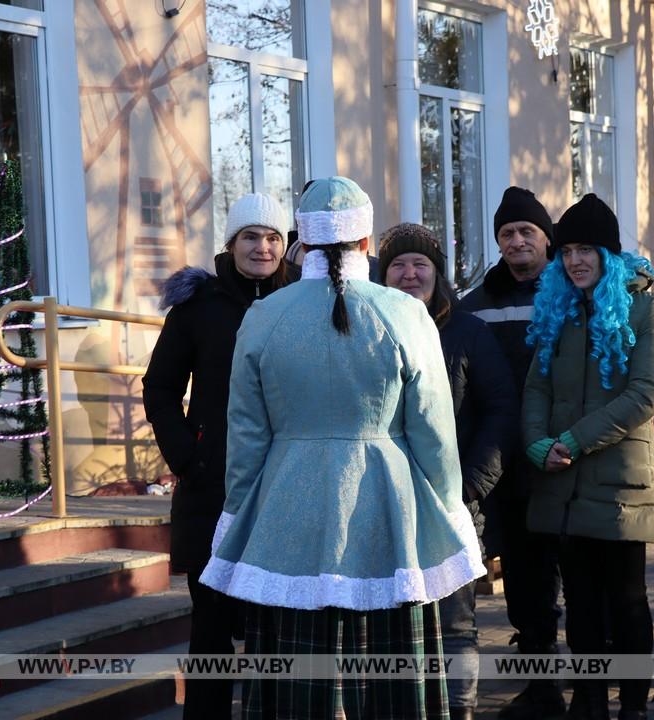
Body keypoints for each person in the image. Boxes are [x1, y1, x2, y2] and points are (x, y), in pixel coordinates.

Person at [199, 177, 485, 719]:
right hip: (389, 513)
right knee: (393, 686)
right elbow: (432, 428)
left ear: (300, 242)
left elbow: (246, 433)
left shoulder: (264, 315)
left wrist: (238, 511)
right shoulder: (404, 313)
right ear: (366, 242)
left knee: (294, 688)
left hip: (286, 514)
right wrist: (448, 509)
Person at [142, 192, 296, 719]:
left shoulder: (302, 301)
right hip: (213, 490)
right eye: (251, 236)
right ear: (231, 244)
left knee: (277, 632)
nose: (263, 247)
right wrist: (189, 456)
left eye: (274, 237)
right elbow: (160, 387)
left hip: (286, 488)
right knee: (210, 630)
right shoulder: (198, 307)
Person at [522, 193, 654, 720]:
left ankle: (632, 707)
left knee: (627, 600)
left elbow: (647, 393)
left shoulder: (644, 305)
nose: (575, 260)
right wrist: (536, 441)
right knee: (581, 604)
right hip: (562, 480)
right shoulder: (557, 308)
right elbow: (535, 387)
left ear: (608, 254)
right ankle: (589, 704)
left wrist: (576, 440)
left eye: (587, 249)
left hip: (618, 482)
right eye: (567, 251)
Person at [380, 223, 518, 720]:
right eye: (398, 264)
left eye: (421, 264)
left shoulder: (468, 332)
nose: (410, 273)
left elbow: (502, 410)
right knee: (389, 625)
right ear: (382, 273)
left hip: (452, 502)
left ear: (438, 274)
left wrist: (472, 486)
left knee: (455, 624)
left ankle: (459, 710)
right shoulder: (366, 326)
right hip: (383, 502)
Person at [458, 186, 565, 719]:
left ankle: (599, 684)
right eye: (507, 233)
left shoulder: (574, 290)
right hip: (509, 461)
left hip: (571, 456)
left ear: (546, 237)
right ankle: (541, 683)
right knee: (525, 574)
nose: (517, 240)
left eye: (527, 231)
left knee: (587, 577)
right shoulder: (477, 304)